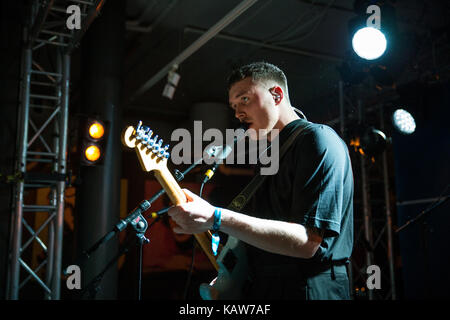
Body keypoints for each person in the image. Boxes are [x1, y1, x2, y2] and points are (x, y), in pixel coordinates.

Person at [168, 61, 354, 300]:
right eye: (234, 106)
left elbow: (308, 243)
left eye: (244, 99)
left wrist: (216, 217)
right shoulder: (269, 157)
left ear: (276, 94)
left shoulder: (317, 139)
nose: (237, 113)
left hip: (310, 289)